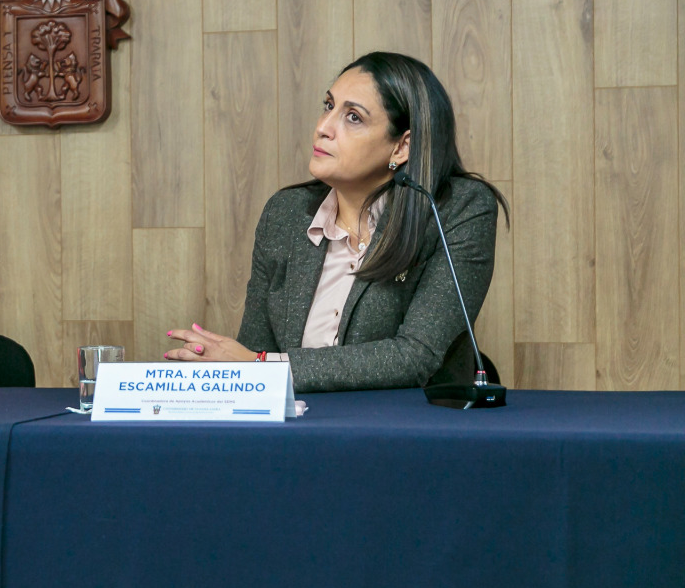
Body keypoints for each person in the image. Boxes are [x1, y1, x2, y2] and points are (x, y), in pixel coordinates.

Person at [163, 52, 507, 392]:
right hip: (301, 429)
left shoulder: (458, 208)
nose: (323, 128)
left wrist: (259, 366)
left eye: (353, 117)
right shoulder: (286, 213)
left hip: (410, 433)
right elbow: (253, 351)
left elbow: (416, 356)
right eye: (328, 106)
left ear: (402, 147)